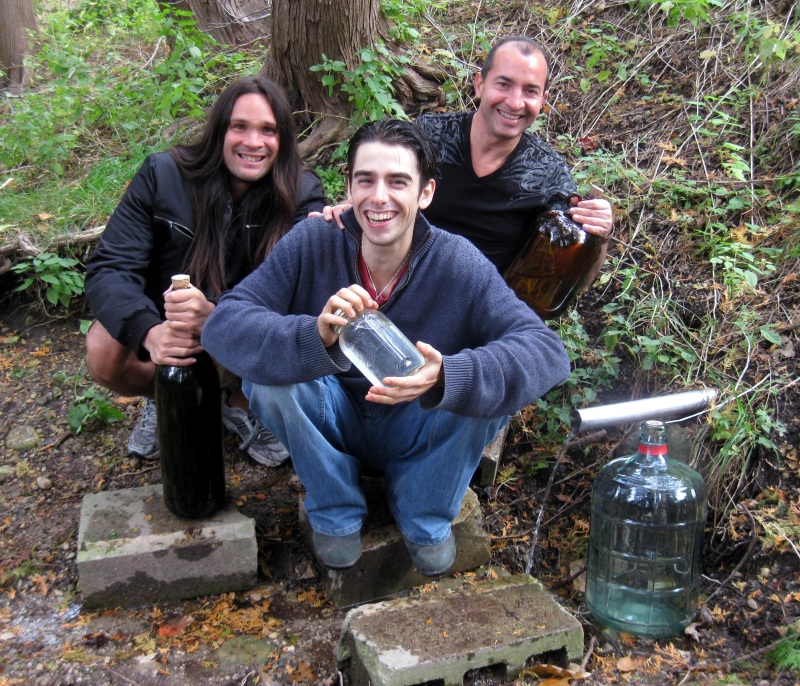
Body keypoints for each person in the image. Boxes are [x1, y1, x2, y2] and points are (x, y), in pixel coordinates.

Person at [201, 119, 570, 577]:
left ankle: (424, 513)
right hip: (331, 417)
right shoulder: (315, 241)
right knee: (269, 378)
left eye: (398, 182)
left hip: (418, 426)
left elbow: (546, 351)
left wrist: (446, 376)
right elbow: (225, 324)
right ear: (349, 187)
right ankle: (335, 506)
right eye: (366, 180)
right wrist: (314, 337)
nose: (379, 197)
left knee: (484, 387)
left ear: (426, 193)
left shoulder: (458, 261)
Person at [84, 76, 326, 467]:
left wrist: (217, 315)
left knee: (296, 329)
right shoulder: (163, 175)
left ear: (283, 140)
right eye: (240, 127)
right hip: (171, 334)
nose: (253, 142)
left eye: (269, 130)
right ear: (219, 131)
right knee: (103, 347)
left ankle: (240, 402)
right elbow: (110, 267)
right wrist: (148, 331)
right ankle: (165, 396)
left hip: (246, 337)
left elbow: (304, 292)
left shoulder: (301, 194)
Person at [320, 35, 614, 276]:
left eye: (530, 91)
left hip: (478, 304)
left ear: (542, 100)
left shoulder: (547, 174)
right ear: (479, 84)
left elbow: (576, 269)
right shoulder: (431, 135)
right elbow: (380, 182)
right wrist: (348, 207)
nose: (515, 102)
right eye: (504, 84)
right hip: (398, 279)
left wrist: (599, 233)